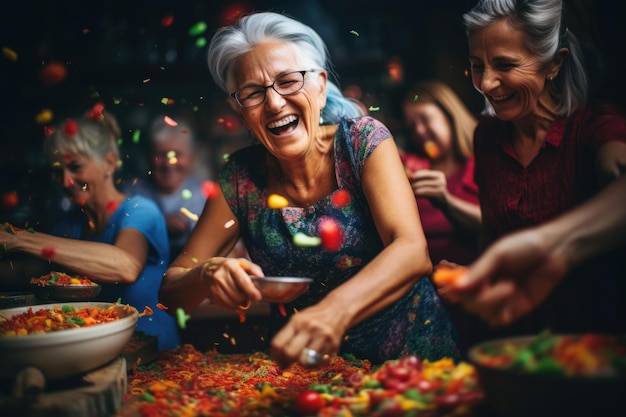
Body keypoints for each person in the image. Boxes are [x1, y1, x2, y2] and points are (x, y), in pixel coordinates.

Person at [158, 11, 460, 368]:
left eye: (288, 81)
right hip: (308, 376)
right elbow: (170, 295)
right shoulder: (239, 178)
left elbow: (412, 250)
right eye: (252, 93)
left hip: (413, 363)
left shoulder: (363, 142)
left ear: (318, 85)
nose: (273, 104)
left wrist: (332, 311)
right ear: (239, 112)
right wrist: (206, 274)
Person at [438, 0, 626, 346]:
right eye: (476, 66)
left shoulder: (594, 130)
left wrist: (551, 245)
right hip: (503, 339)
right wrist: (475, 275)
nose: (487, 83)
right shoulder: (487, 135)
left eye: (505, 65)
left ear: (555, 63)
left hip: (585, 346)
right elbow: (491, 235)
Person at [0, 105, 180, 351]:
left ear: (108, 163)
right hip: (95, 357)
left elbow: (126, 266)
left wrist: (19, 238)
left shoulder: (140, 211)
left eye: (75, 167)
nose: (65, 182)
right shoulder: (68, 226)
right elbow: (28, 272)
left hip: (153, 359)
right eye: (57, 171)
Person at [400, 80, 481, 266]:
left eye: (424, 119)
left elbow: (498, 226)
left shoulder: (482, 161)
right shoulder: (411, 167)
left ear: (450, 115)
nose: (419, 131)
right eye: (412, 126)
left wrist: (447, 202)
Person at [124, 115, 208, 261]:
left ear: (191, 157)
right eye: (161, 154)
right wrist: (159, 223)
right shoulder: (132, 191)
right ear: (149, 156)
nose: (169, 163)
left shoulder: (205, 194)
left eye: (177, 154)